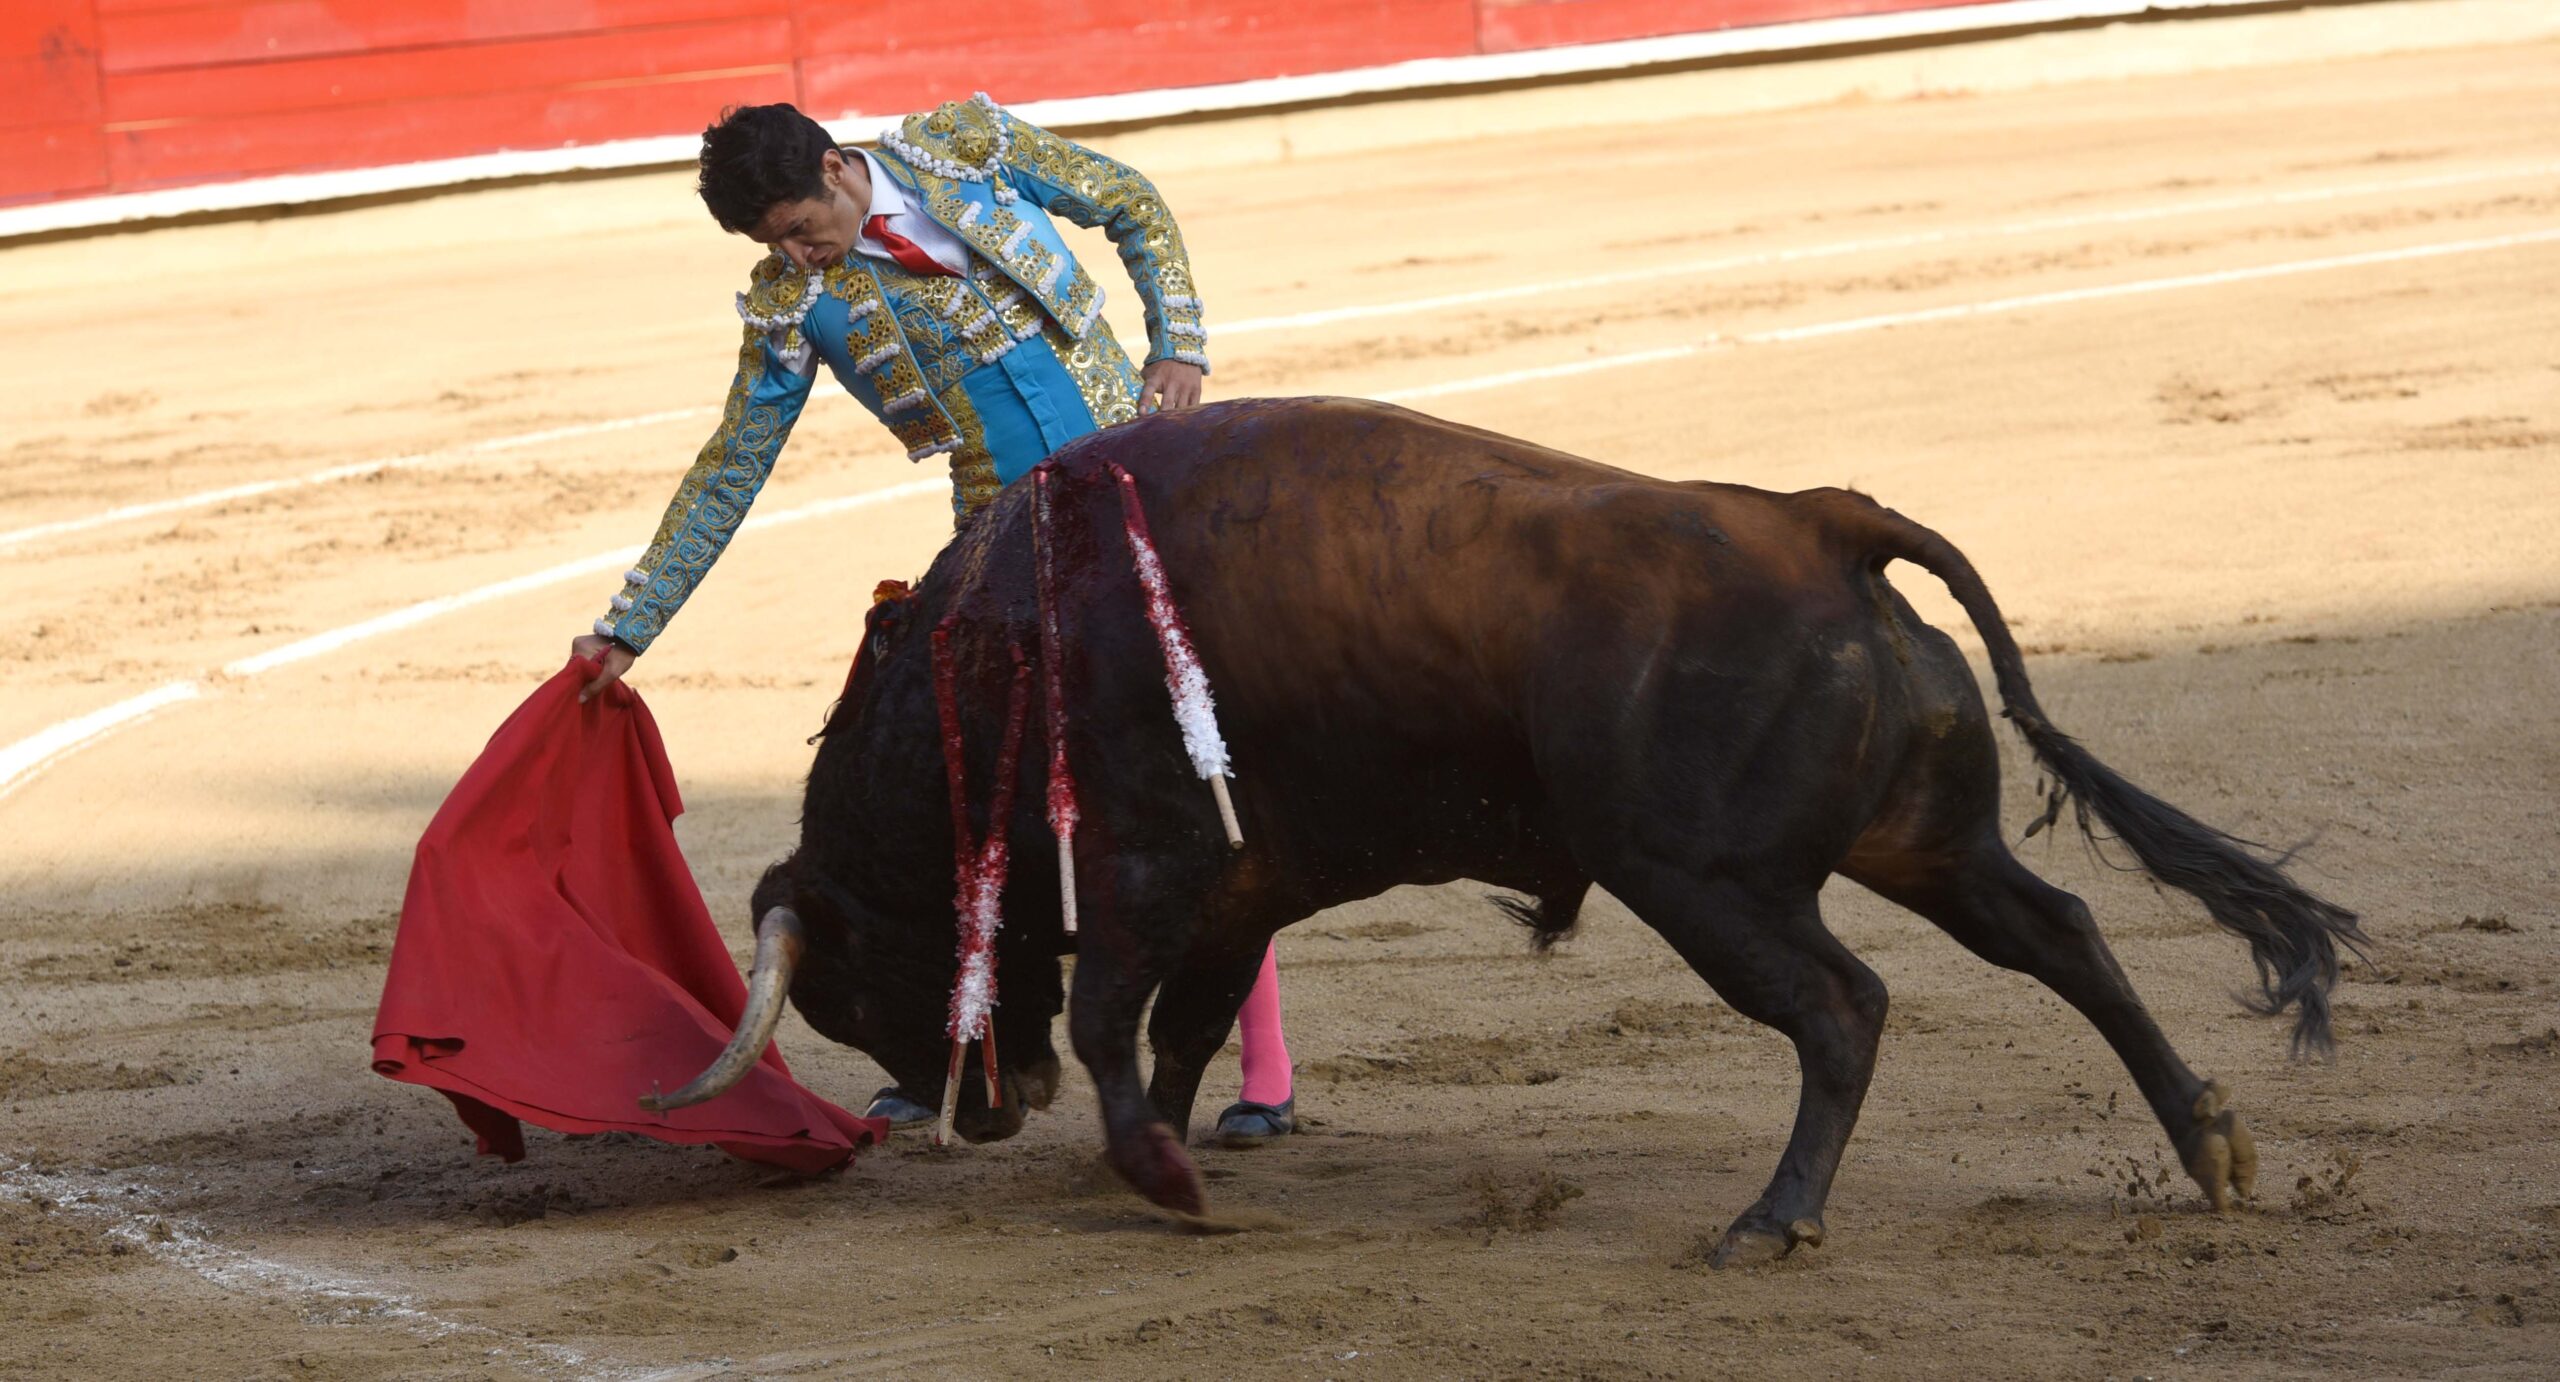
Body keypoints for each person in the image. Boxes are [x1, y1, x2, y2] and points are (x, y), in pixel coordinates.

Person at [566, 96, 1296, 1145]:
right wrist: (630, 625)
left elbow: (1129, 201)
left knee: (1209, 773)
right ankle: (944, 1041)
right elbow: (733, 465)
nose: (795, 251)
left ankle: (1264, 1069)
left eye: (796, 224)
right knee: (964, 786)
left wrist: (1177, 341)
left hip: (1154, 492)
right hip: (1009, 544)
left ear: (835, 165)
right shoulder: (792, 305)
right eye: (771, 241)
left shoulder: (968, 150)